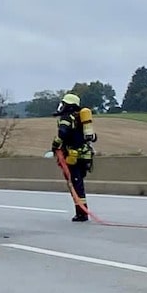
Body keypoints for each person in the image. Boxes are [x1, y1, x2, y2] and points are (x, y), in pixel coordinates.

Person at [51, 93, 97, 222]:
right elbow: (93, 137)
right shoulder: (80, 118)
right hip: (85, 156)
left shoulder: (67, 118)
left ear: (67, 105)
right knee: (78, 184)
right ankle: (82, 212)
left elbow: (63, 133)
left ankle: (82, 213)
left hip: (74, 156)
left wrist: (55, 145)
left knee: (76, 185)